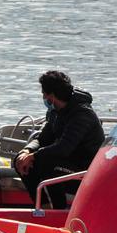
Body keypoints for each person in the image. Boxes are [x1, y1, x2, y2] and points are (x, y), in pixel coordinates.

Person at [14, 71, 103, 209]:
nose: (43, 98)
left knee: (47, 161)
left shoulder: (82, 114)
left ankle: (58, 209)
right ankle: (43, 206)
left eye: (44, 94)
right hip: (65, 164)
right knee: (20, 160)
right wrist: (27, 151)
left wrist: (34, 156)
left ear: (52, 96)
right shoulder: (55, 112)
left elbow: (64, 148)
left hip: (84, 171)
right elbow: (43, 138)